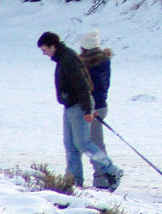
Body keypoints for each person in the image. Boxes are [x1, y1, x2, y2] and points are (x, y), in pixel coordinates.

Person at [37, 31, 123, 191]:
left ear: (52, 46)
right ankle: (73, 181)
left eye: (44, 49)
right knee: (70, 145)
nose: (44, 53)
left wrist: (88, 109)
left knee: (83, 143)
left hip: (79, 106)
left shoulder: (69, 59)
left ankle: (112, 170)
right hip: (69, 106)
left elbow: (83, 86)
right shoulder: (63, 59)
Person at [78, 29, 113, 187]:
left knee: (95, 143)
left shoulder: (94, 64)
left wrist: (93, 108)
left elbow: (99, 88)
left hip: (95, 108)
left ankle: (104, 177)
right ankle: (103, 175)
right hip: (96, 106)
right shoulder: (101, 61)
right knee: (92, 142)